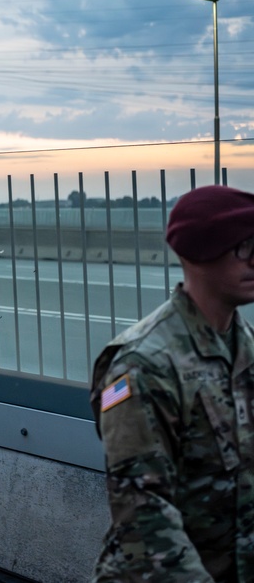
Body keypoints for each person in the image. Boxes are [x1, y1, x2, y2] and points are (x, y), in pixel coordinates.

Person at [90, 184, 254, 582]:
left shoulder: (244, 349)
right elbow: (143, 517)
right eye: (245, 248)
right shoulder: (144, 364)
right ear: (199, 253)